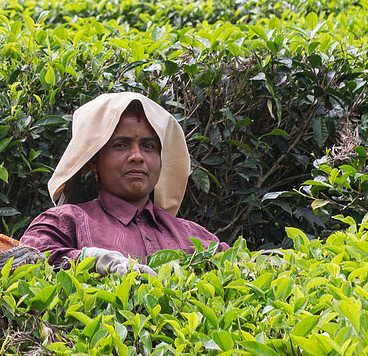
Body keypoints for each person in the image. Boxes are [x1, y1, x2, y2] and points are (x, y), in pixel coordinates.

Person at [19, 92, 221, 274]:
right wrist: (89, 261)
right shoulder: (65, 223)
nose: (137, 156)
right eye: (121, 145)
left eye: (148, 146)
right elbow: (25, 262)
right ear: (95, 159)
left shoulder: (196, 238)